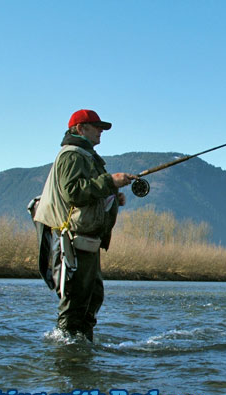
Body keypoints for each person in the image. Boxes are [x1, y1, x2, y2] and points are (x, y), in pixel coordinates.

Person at [33, 109, 137, 341]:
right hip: (73, 240)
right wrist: (109, 181)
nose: (101, 131)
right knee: (76, 299)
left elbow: (84, 193)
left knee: (92, 296)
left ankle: (81, 348)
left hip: (87, 241)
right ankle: (66, 352)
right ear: (80, 129)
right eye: (96, 126)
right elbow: (73, 192)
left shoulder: (84, 156)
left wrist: (110, 196)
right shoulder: (73, 155)